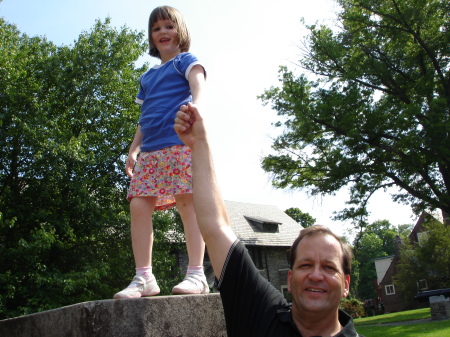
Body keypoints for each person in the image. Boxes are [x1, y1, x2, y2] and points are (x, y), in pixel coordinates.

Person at [174, 103, 363, 337]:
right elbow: (215, 227)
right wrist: (199, 144)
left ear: (346, 284)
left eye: (328, 267)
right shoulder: (260, 314)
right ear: (290, 278)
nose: (316, 275)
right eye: (305, 265)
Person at [114, 6, 208, 299]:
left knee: (187, 203)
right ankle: (144, 277)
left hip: (179, 144)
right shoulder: (148, 77)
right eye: (157, 29)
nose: (163, 32)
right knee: (139, 206)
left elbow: (197, 81)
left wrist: (197, 105)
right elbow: (146, 118)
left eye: (169, 26)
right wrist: (133, 149)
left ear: (180, 32)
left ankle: (196, 274)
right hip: (150, 151)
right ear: (151, 38)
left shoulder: (184, 61)